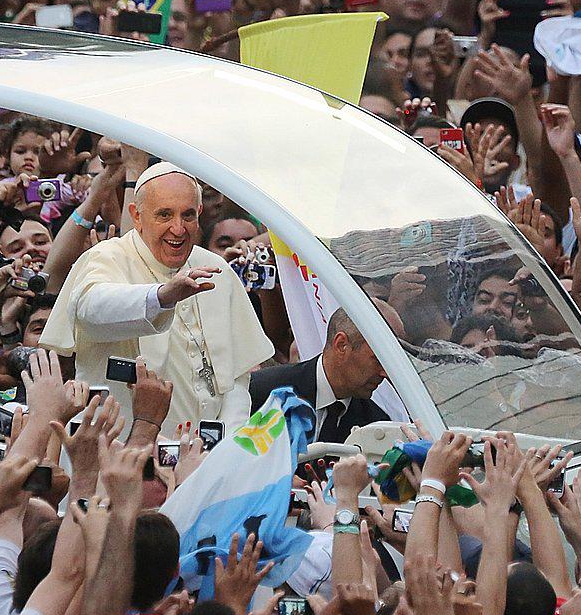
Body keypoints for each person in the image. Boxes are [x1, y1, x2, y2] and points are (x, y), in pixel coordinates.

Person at [40, 162, 274, 435]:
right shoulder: (108, 256)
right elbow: (89, 308)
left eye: (188, 216)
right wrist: (162, 297)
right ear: (136, 216)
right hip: (120, 448)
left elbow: (237, 378)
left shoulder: (216, 268)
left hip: (203, 456)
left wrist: (225, 446)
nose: (178, 228)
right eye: (164, 215)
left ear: (199, 213)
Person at [247, 307, 396, 444]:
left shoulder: (375, 426)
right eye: (378, 360)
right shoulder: (261, 393)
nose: (385, 373)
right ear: (341, 345)